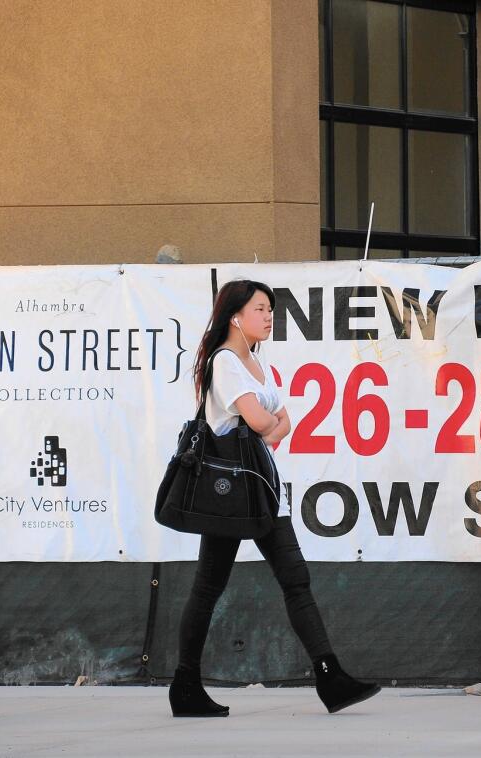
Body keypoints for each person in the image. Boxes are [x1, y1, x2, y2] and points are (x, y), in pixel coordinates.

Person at [169, 278, 381, 717]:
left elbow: (283, 426)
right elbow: (265, 422)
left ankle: (330, 677)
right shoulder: (226, 362)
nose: (268, 316)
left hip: (262, 491)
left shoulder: (254, 365)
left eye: (270, 309)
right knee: (210, 587)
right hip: (232, 495)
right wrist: (271, 423)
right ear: (236, 316)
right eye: (260, 309)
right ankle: (185, 685)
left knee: (294, 578)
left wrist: (272, 424)